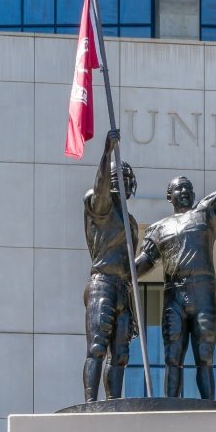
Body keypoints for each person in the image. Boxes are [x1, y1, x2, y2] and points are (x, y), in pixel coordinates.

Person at [134, 119, 216, 400]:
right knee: (172, 356)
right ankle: (171, 407)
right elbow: (142, 264)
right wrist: (120, 270)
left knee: (205, 356)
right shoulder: (159, 228)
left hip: (202, 291)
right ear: (170, 195)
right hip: (173, 294)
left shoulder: (206, 214)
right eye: (179, 188)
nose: (185, 191)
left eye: (188, 187)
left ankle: (208, 406)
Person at [82, 130, 139, 402]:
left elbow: (132, 267)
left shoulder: (132, 222)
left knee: (121, 355)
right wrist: (106, 153)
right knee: (96, 348)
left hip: (122, 290)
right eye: (121, 179)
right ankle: (91, 402)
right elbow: (101, 185)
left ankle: (113, 403)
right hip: (102, 284)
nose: (125, 184)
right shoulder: (102, 209)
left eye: (128, 180)